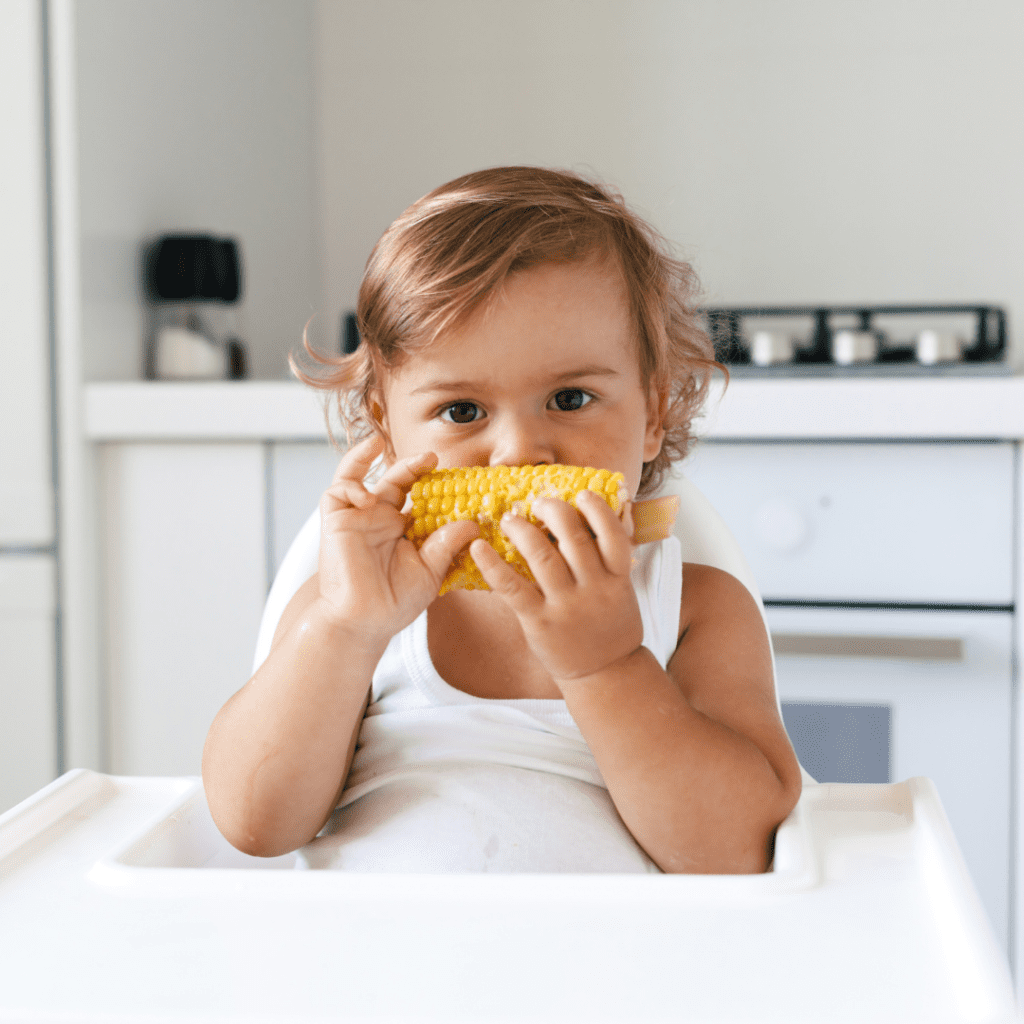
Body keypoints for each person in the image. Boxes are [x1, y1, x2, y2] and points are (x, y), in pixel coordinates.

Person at [202, 166, 802, 873]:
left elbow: (737, 851)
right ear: (386, 432)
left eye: (571, 398)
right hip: (373, 965)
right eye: (461, 412)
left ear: (654, 413)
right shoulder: (351, 609)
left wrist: (607, 666)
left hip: (613, 972)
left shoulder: (695, 609)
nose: (518, 453)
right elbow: (254, 825)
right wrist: (343, 630)